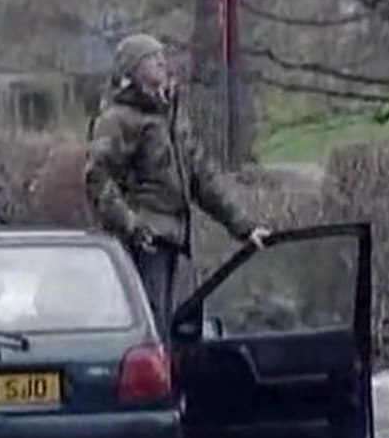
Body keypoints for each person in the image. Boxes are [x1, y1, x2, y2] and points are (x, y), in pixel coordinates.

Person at [84, 33, 270, 339]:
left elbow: (201, 177)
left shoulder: (170, 115)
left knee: (181, 326)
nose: (161, 61)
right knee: (151, 325)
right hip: (146, 240)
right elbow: (98, 177)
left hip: (177, 238)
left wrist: (245, 227)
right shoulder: (117, 119)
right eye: (150, 57)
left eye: (161, 55)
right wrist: (131, 224)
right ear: (132, 69)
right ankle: (154, 383)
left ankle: (175, 380)